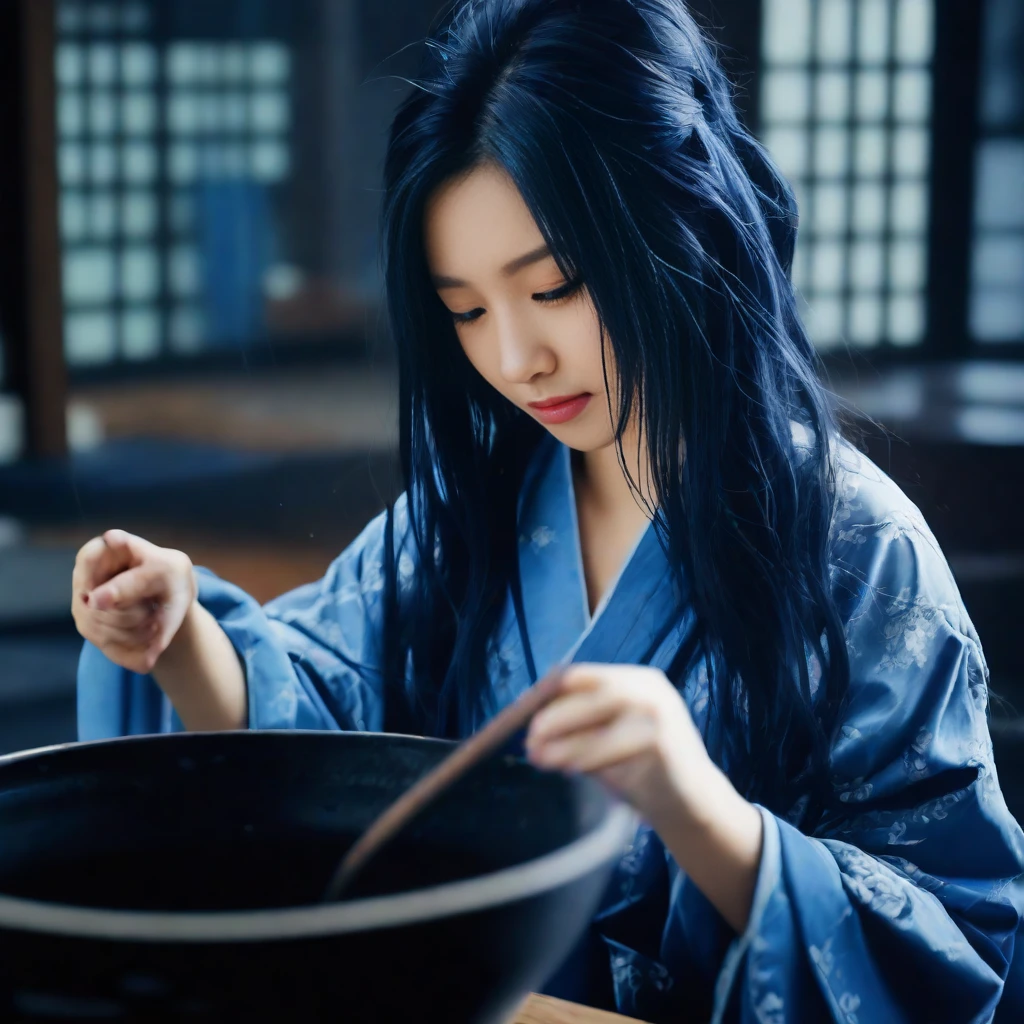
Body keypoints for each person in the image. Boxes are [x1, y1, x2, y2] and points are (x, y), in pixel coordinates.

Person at [73, 0, 1024, 1019]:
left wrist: (697, 804)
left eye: (556, 287)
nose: (515, 358)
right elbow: (316, 727)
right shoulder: (475, 508)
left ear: (676, 225)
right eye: (468, 311)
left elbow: (951, 929)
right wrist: (174, 634)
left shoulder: (856, 550)